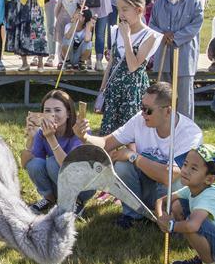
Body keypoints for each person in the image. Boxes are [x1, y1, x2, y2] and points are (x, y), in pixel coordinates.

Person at [75, 82, 203, 228]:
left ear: (168, 111)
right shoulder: (139, 120)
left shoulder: (191, 134)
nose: (142, 113)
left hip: (171, 192)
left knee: (168, 178)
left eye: (148, 110)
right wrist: (84, 137)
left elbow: (170, 175)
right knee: (122, 166)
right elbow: (106, 143)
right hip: (148, 186)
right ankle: (133, 215)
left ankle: (167, 217)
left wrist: (133, 156)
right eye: (141, 107)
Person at [99, 0, 162, 136]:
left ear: (138, 10)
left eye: (125, 10)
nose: (121, 14)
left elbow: (133, 66)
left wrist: (127, 38)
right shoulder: (115, 31)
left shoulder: (150, 36)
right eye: (119, 9)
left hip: (133, 92)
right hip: (114, 89)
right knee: (109, 134)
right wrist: (102, 89)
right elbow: (111, 63)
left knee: (132, 135)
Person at [22, 89, 91, 214]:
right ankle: (50, 199)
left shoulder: (79, 132)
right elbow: (25, 164)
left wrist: (51, 138)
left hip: (82, 185)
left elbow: (70, 167)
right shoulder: (42, 131)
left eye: (57, 110)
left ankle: (76, 202)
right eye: (47, 111)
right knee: (34, 164)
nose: (52, 114)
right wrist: (31, 138)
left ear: (68, 113)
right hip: (59, 182)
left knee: (53, 162)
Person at [149, 0, 204, 119]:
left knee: (184, 95)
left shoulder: (194, 2)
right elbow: (152, 24)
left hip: (184, 54)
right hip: (164, 53)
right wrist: (162, 35)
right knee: (164, 93)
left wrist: (176, 36)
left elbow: (196, 24)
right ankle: (164, 126)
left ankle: (185, 131)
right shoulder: (159, 3)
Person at [54, 0, 82, 67]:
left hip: (70, 24)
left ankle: (68, 59)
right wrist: (59, 18)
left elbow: (78, 10)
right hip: (61, 23)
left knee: (68, 41)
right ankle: (60, 60)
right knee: (61, 41)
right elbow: (56, 11)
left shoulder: (78, 0)